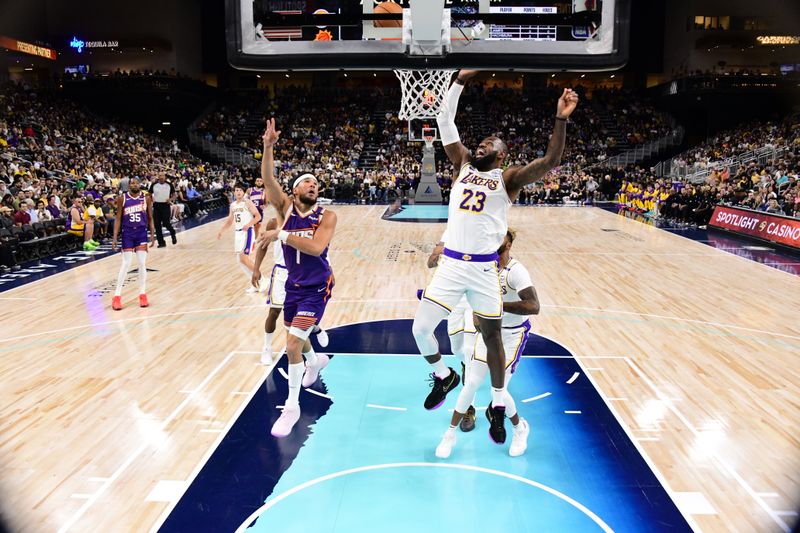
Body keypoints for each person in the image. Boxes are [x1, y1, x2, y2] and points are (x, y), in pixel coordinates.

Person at [412, 69, 577, 445]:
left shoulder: (508, 179)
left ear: (502, 154)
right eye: (481, 141)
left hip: (485, 269)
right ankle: (442, 376)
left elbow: (550, 160)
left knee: (492, 340)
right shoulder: (462, 164)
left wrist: (560, 119)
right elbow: (443, 120)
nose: (482, 144)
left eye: (490, 143)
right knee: (420, 330)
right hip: (452, 263)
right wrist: (457, 81)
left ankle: (499, 403)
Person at [260, 117, 336, 438]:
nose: (313, 185)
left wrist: (281, 235)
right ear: (295, 191)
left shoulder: (327, 215)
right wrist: (268, 147)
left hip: (318, 287)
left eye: (316, 183)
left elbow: (317, 248)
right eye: (307, 182)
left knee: (291, 344)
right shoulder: (286, 209)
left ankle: (292, 407)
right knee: (298, 340)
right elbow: (268, 180)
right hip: (293, 285)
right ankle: (316, 359)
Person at [435, 229, 539, 459]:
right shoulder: (485, 269)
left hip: (512, 335)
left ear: (508, 247)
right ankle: (449, 435)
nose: (495, 255)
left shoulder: (516, 271)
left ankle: (519, 429)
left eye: (499, 251)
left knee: (497, 389)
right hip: (489, 333)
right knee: (471, 382)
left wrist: (499, 306)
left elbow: (534, 306)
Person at [252, 217, 330, 365]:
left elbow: (320, 250)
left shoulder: (310, 222)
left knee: (298, 318)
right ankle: (267, 348)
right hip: (281, 273)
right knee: (273, 312)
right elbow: (263, 246)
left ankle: (315, 330)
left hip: (303, 274)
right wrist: (256, 269)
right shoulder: (274, 222)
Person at [111, 177, 155, 310]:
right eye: (132, 183)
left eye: (137, 183)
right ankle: (117, 296)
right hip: (127, 233)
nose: (135, 185)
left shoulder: (146, 198)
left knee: (142, 263)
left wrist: (152, 235)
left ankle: (142, 294)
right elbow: (118, 218)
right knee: (126, 263)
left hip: (141, 232)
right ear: (129, 186)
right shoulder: (122, 198)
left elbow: (150, 217)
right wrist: (114, 237)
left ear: (140, 185)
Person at [216, 183, 263, 293]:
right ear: (234, 192)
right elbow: (229, 221)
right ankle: (255, 284)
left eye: (240, 190)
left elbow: (258, 216)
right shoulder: (233, 205)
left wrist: (249, 224)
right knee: (240, 261)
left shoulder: (247, 202)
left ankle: (262, 279)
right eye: (236, 190)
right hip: (238, 234)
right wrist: (221, 231)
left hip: (247, 232)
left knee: (244, 259)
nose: (238, 192)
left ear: (244, 192)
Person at [150, 172, 177, 248]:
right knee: (157, 225)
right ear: (158, 176)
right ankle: (161, 242)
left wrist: (171, 199)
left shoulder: (169, 185)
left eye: (162, 175)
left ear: (165, 177)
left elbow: (174, 195)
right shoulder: (154, 185)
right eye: (160, 175)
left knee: (166, 223)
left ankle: (172, 232)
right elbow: (149, 194)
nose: (161, 177)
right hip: (156, 206)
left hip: (165, 205)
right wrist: (150, 201)